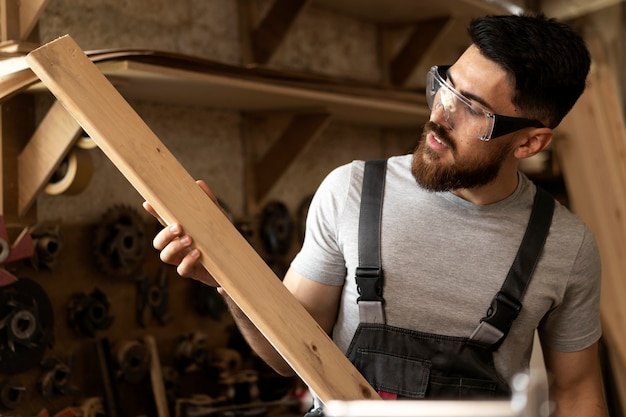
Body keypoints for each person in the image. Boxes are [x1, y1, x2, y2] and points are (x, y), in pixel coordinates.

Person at [145, 13, 607, 417]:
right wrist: (227, 274)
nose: (440, 115)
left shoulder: (566, 245)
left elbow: (577, 393)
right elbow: (291, 355)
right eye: (446, 86)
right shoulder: (352, 191)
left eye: (472, 109)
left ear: (529, 143)